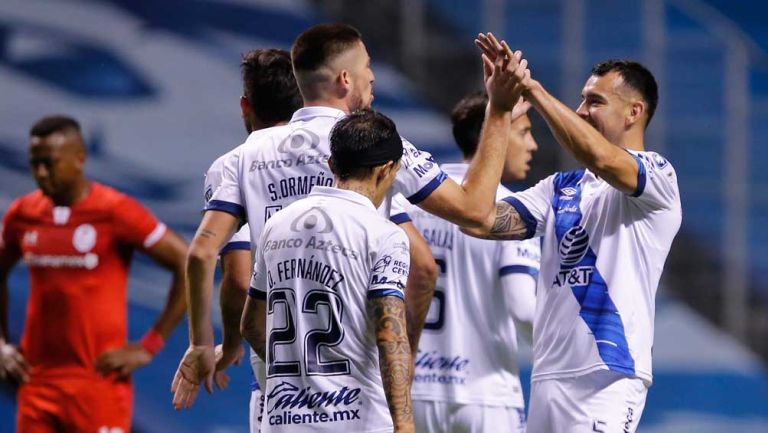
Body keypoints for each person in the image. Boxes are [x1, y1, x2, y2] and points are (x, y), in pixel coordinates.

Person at [171, 23, 529, 409]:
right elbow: (472, 213)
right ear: (345, 78)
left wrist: (201, 343)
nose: (373, 76)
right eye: (367, 66)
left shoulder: (239, 159)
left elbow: (203, 252)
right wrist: (499, 109)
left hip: (280, 374)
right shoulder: (373, 146)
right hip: (357, 371)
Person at [469, 35, 682, 433]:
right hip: (549, 376)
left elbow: (601, 158)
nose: (581, 111)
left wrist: (531, 88)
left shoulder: (658, 176)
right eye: (582, 100)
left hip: (608, 377)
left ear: (634, 112)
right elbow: (479, 218)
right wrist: (499, 110)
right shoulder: (559, 187)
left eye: (594, 101)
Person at [0, 115, 188, 432]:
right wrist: (2, 344)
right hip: (36, 383)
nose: (40, 173)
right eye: (34, 164)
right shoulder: (23, 214)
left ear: (79, 159)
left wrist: (149, 345)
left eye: (50, 163)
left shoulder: (115, 211)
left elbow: (186, 263)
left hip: (98, 383)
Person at [241, 110, 413, 433]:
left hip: (284, 422)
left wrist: (299, 375)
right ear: (386, 170)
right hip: (358, 423)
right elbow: (390, 335)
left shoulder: (275, 227)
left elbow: (250, 324)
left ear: (332, 165)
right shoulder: (384, 235)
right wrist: (404, 424)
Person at [390, 91, 540, 433]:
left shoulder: (412, 201)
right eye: (523, 132)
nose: (532, 145)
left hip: (413, 390)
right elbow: (523, 308)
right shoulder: (511, 209)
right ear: (495, 132)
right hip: (485, 395)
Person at [201, 48, 304, 433]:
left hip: (280, 363)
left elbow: (240, 278)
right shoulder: (339, 151)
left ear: (246, 106)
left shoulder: (236, 165)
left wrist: (227, 344)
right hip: (352, 361)